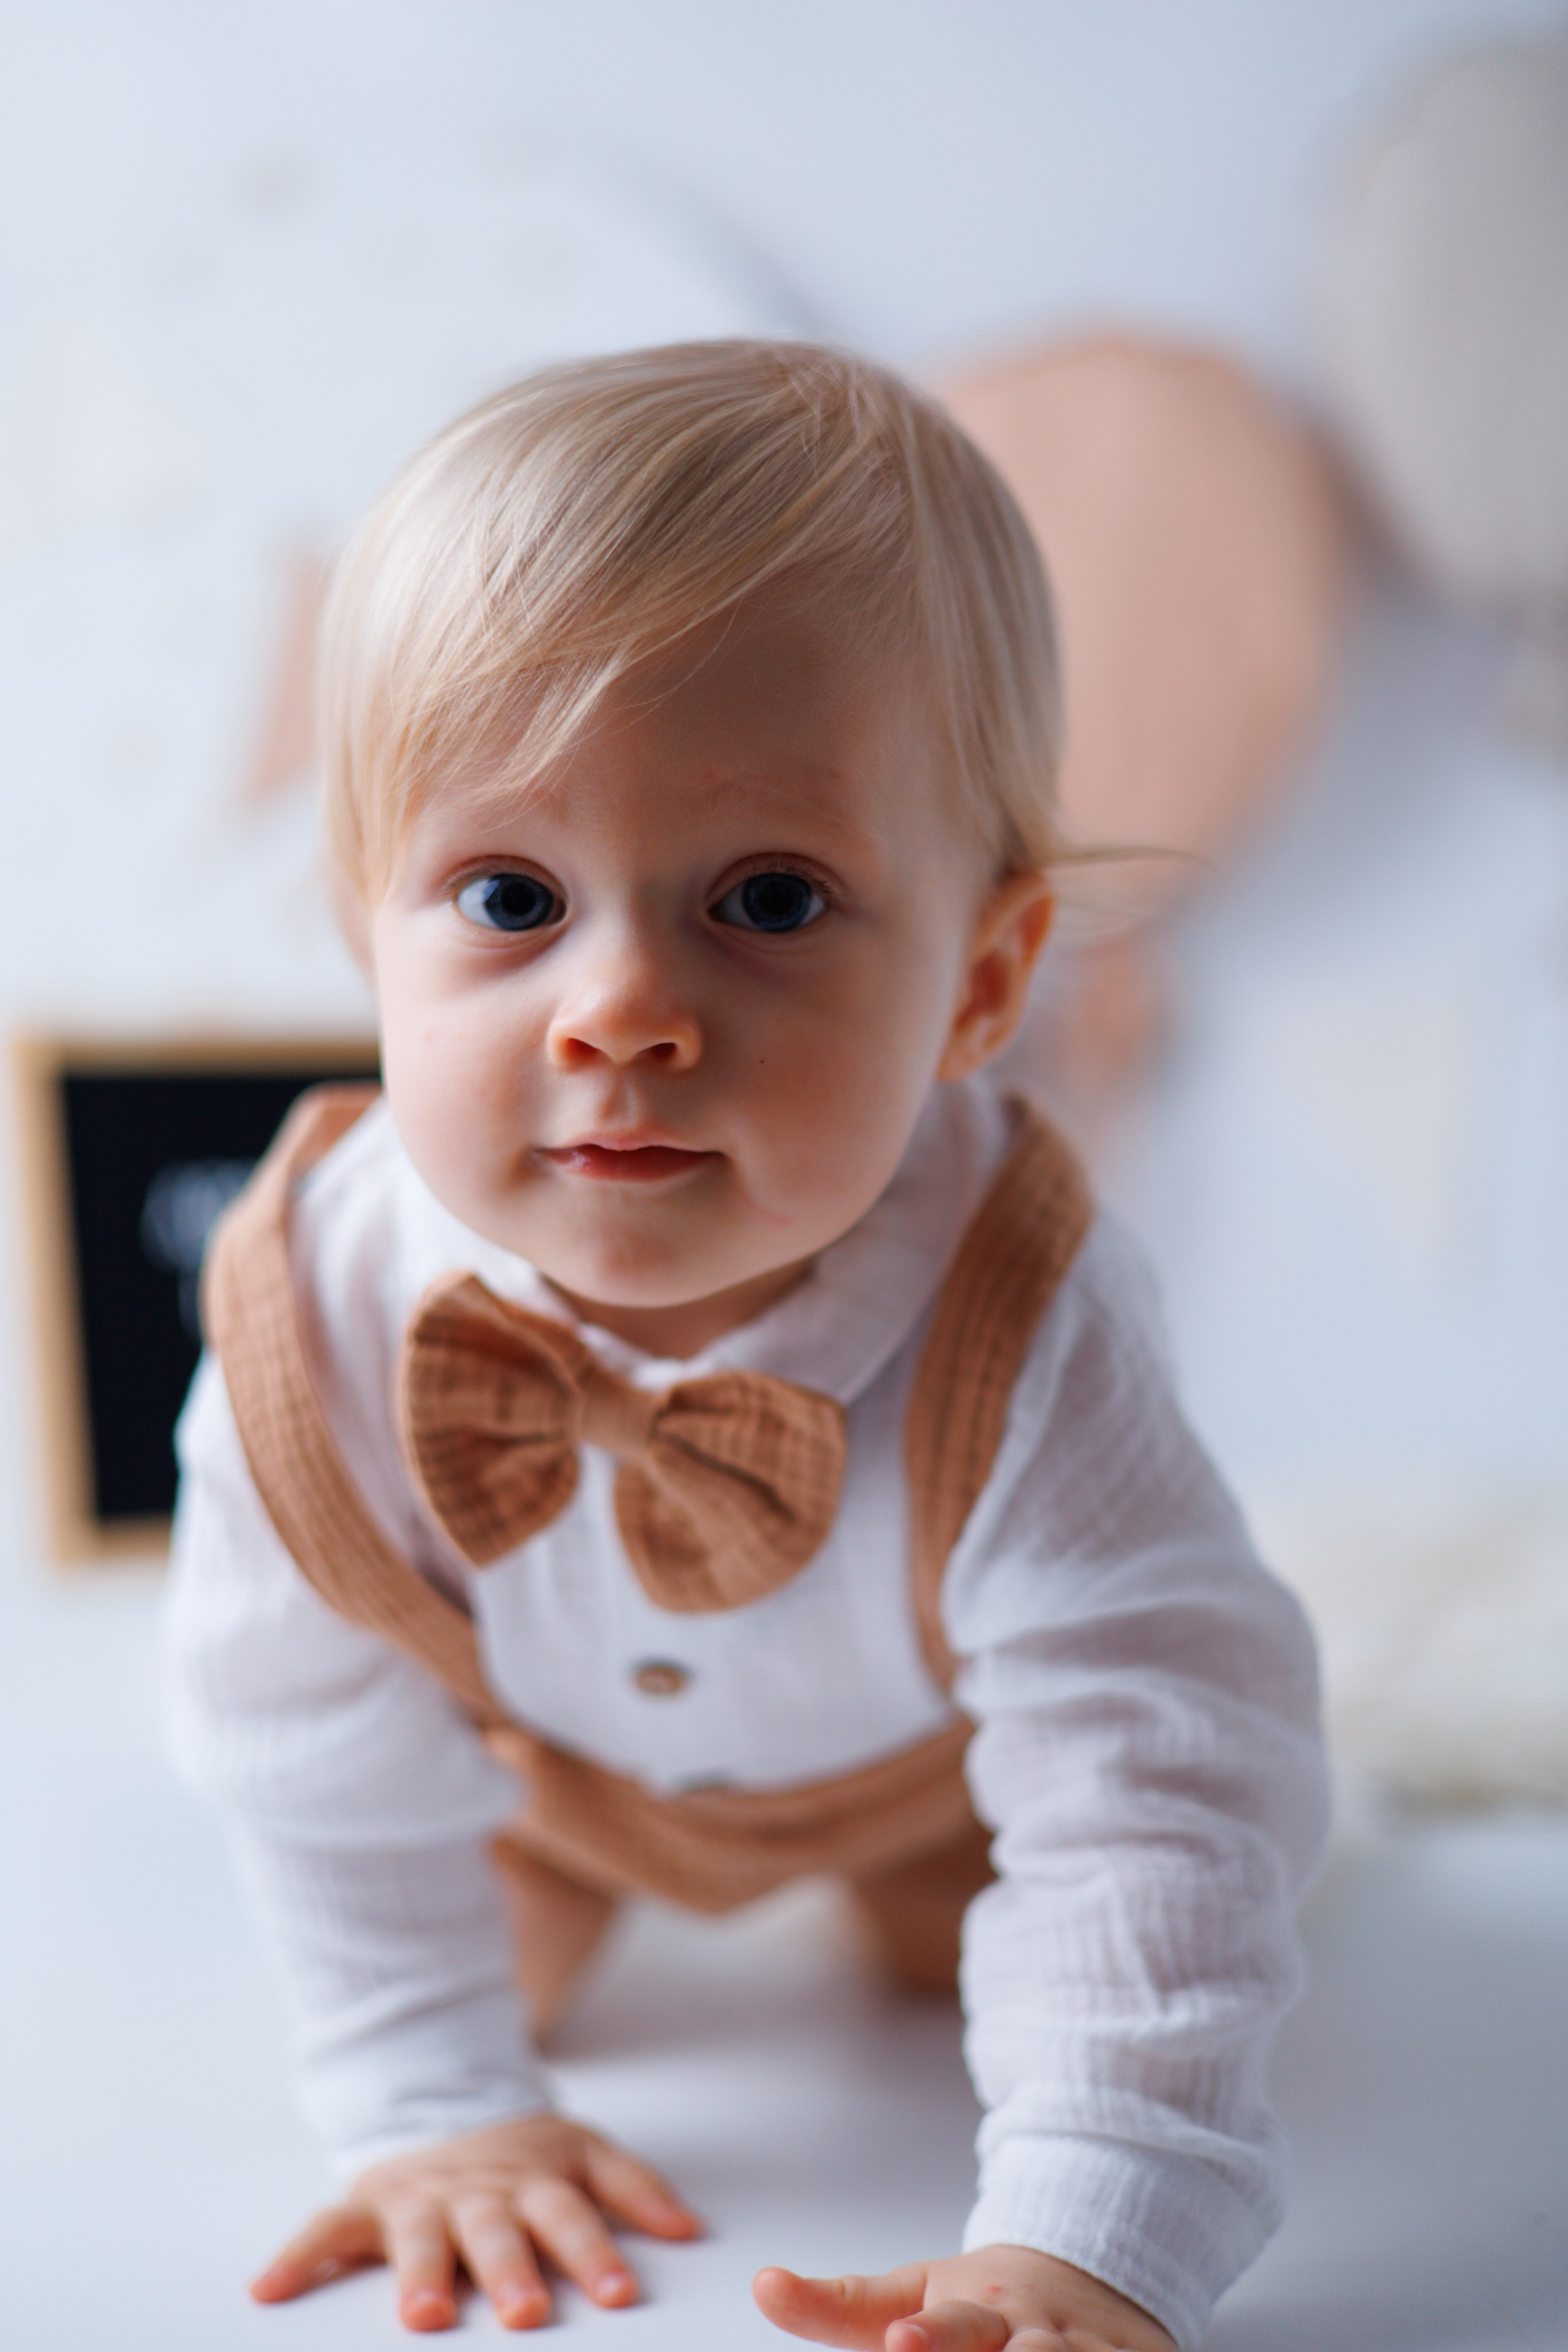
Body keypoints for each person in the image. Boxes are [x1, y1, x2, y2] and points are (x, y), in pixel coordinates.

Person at [166, 339, 1329, 2352]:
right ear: (369, 936)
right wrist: (434, 2108)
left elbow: (1157, 1777)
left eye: (769, 898)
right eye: (511, 895)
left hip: (917, 1762)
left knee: (959, 1961)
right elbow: (305, 1737)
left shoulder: (1025, 1316)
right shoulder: (313, 1306)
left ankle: (921, 1929)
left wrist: (1094, 2229)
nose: (621, 1009)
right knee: (467, 1944)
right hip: (537, 1769)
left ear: (981, 982)